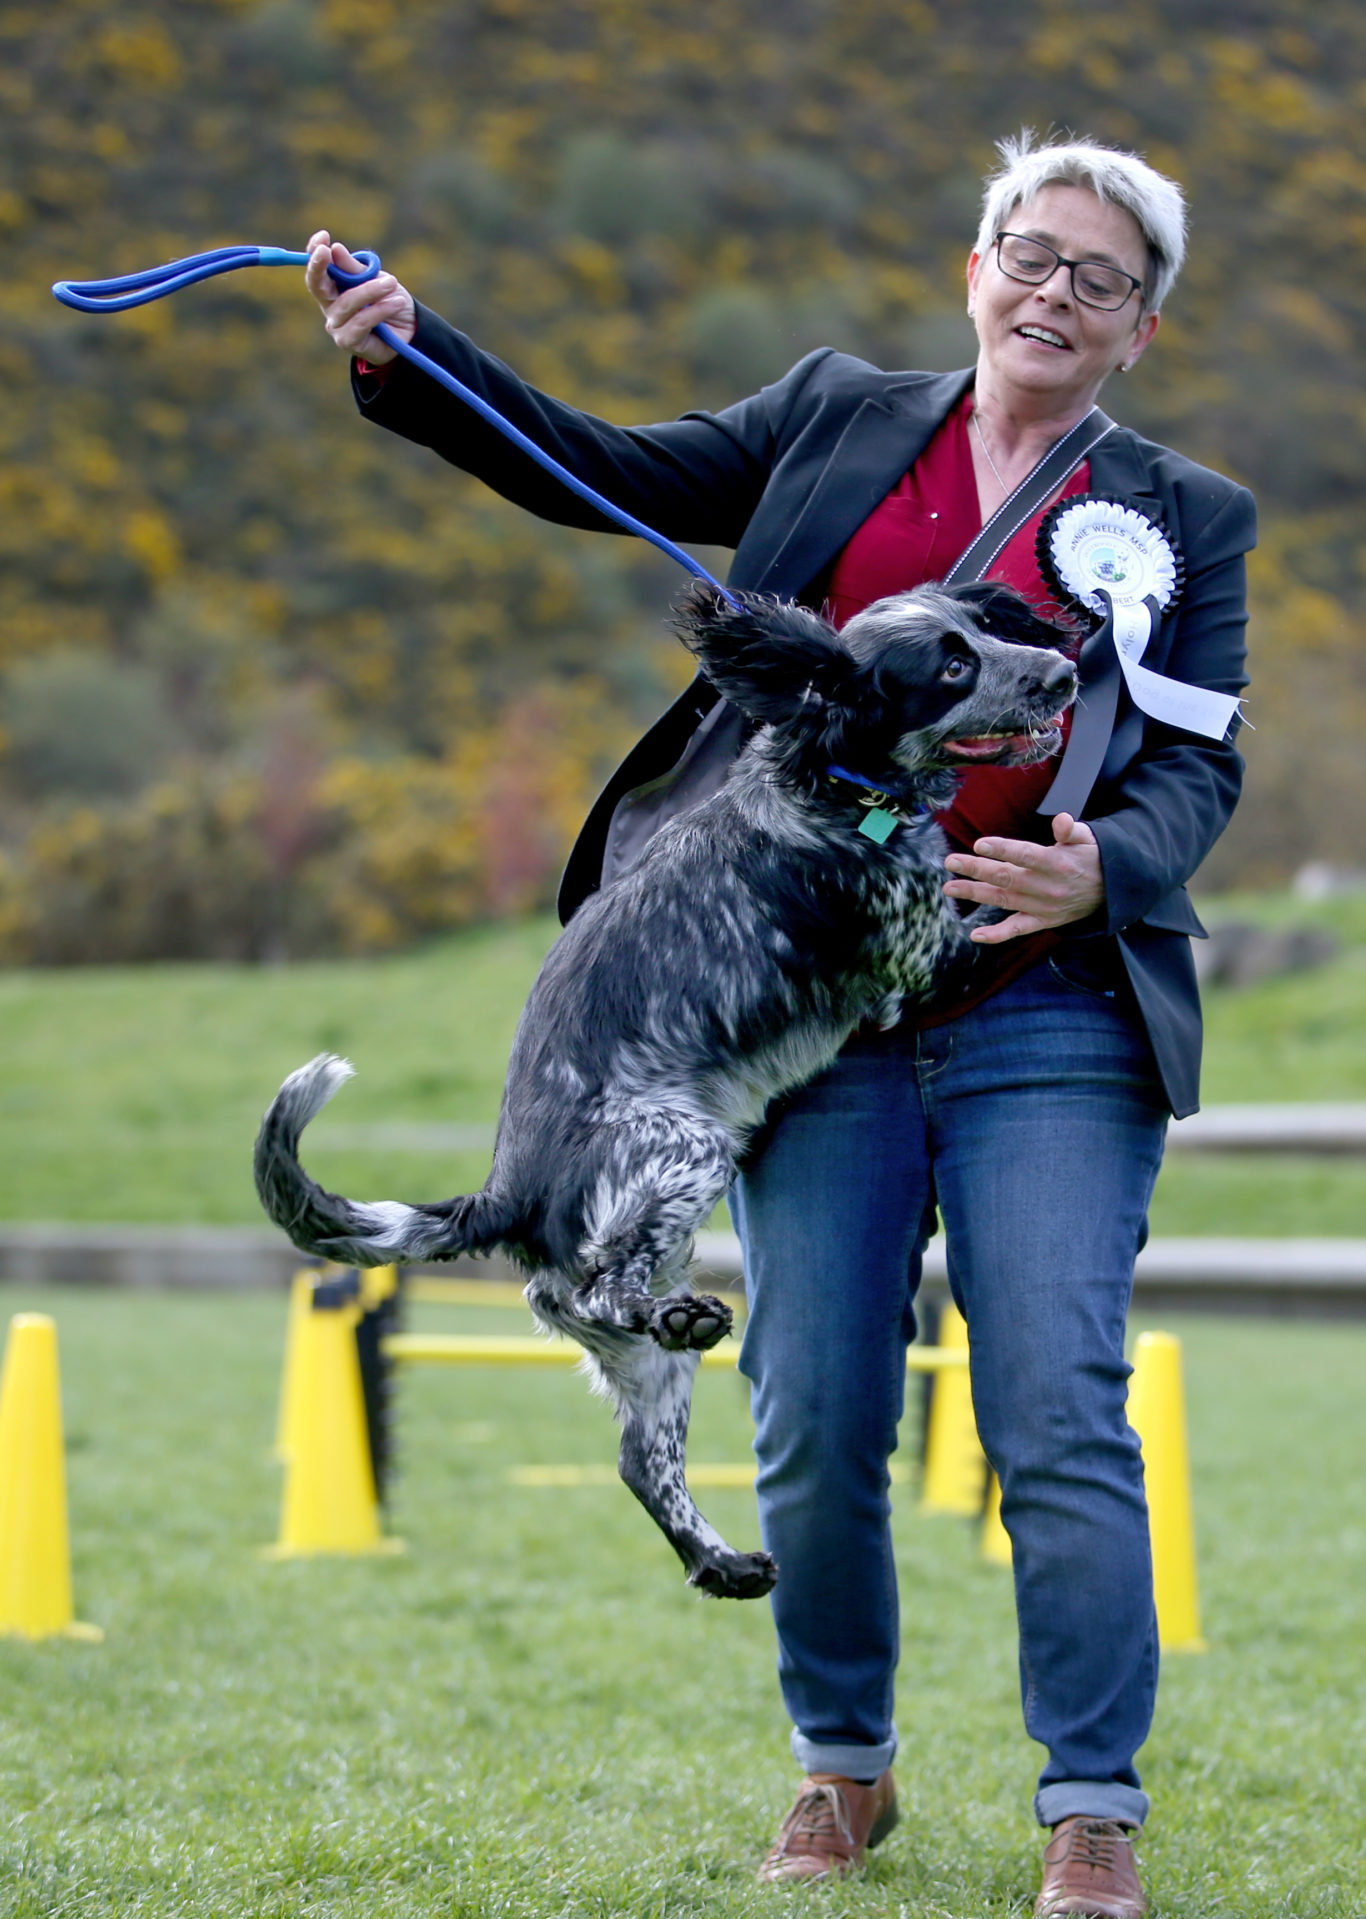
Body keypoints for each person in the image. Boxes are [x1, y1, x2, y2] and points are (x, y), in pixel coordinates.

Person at [304, 131, 1252, 1919]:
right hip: (801, 1012)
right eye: (1024, 255)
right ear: (974, 270)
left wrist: (1101, 868)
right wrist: (410, 352)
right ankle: (840, 1774)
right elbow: (595, 465)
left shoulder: (1184, 513)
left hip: (1046, 1006)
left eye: (1098, 279)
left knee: (1054, 1403)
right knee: (813, 1411)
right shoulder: (832, 414)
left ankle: (1089, 1811)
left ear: (1142, 328)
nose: (1051, 292)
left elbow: (1200, 754)